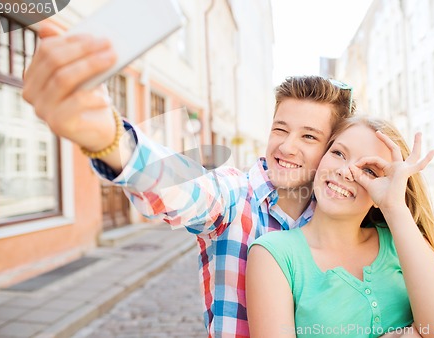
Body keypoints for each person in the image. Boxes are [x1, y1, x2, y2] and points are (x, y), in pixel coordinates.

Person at [22, 24, 356, 337]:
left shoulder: (342, 214)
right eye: (279, 129)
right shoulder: (233, 195)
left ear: (330, 148)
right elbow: (184, 188)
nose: (286, 146)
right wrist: (109, 139)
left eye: (309, 136)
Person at [246, 116, 434, 338]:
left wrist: (394, 206)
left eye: (369, 170)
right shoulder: (273, 255)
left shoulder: (401, 241)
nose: (345, 171)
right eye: (338, 153)